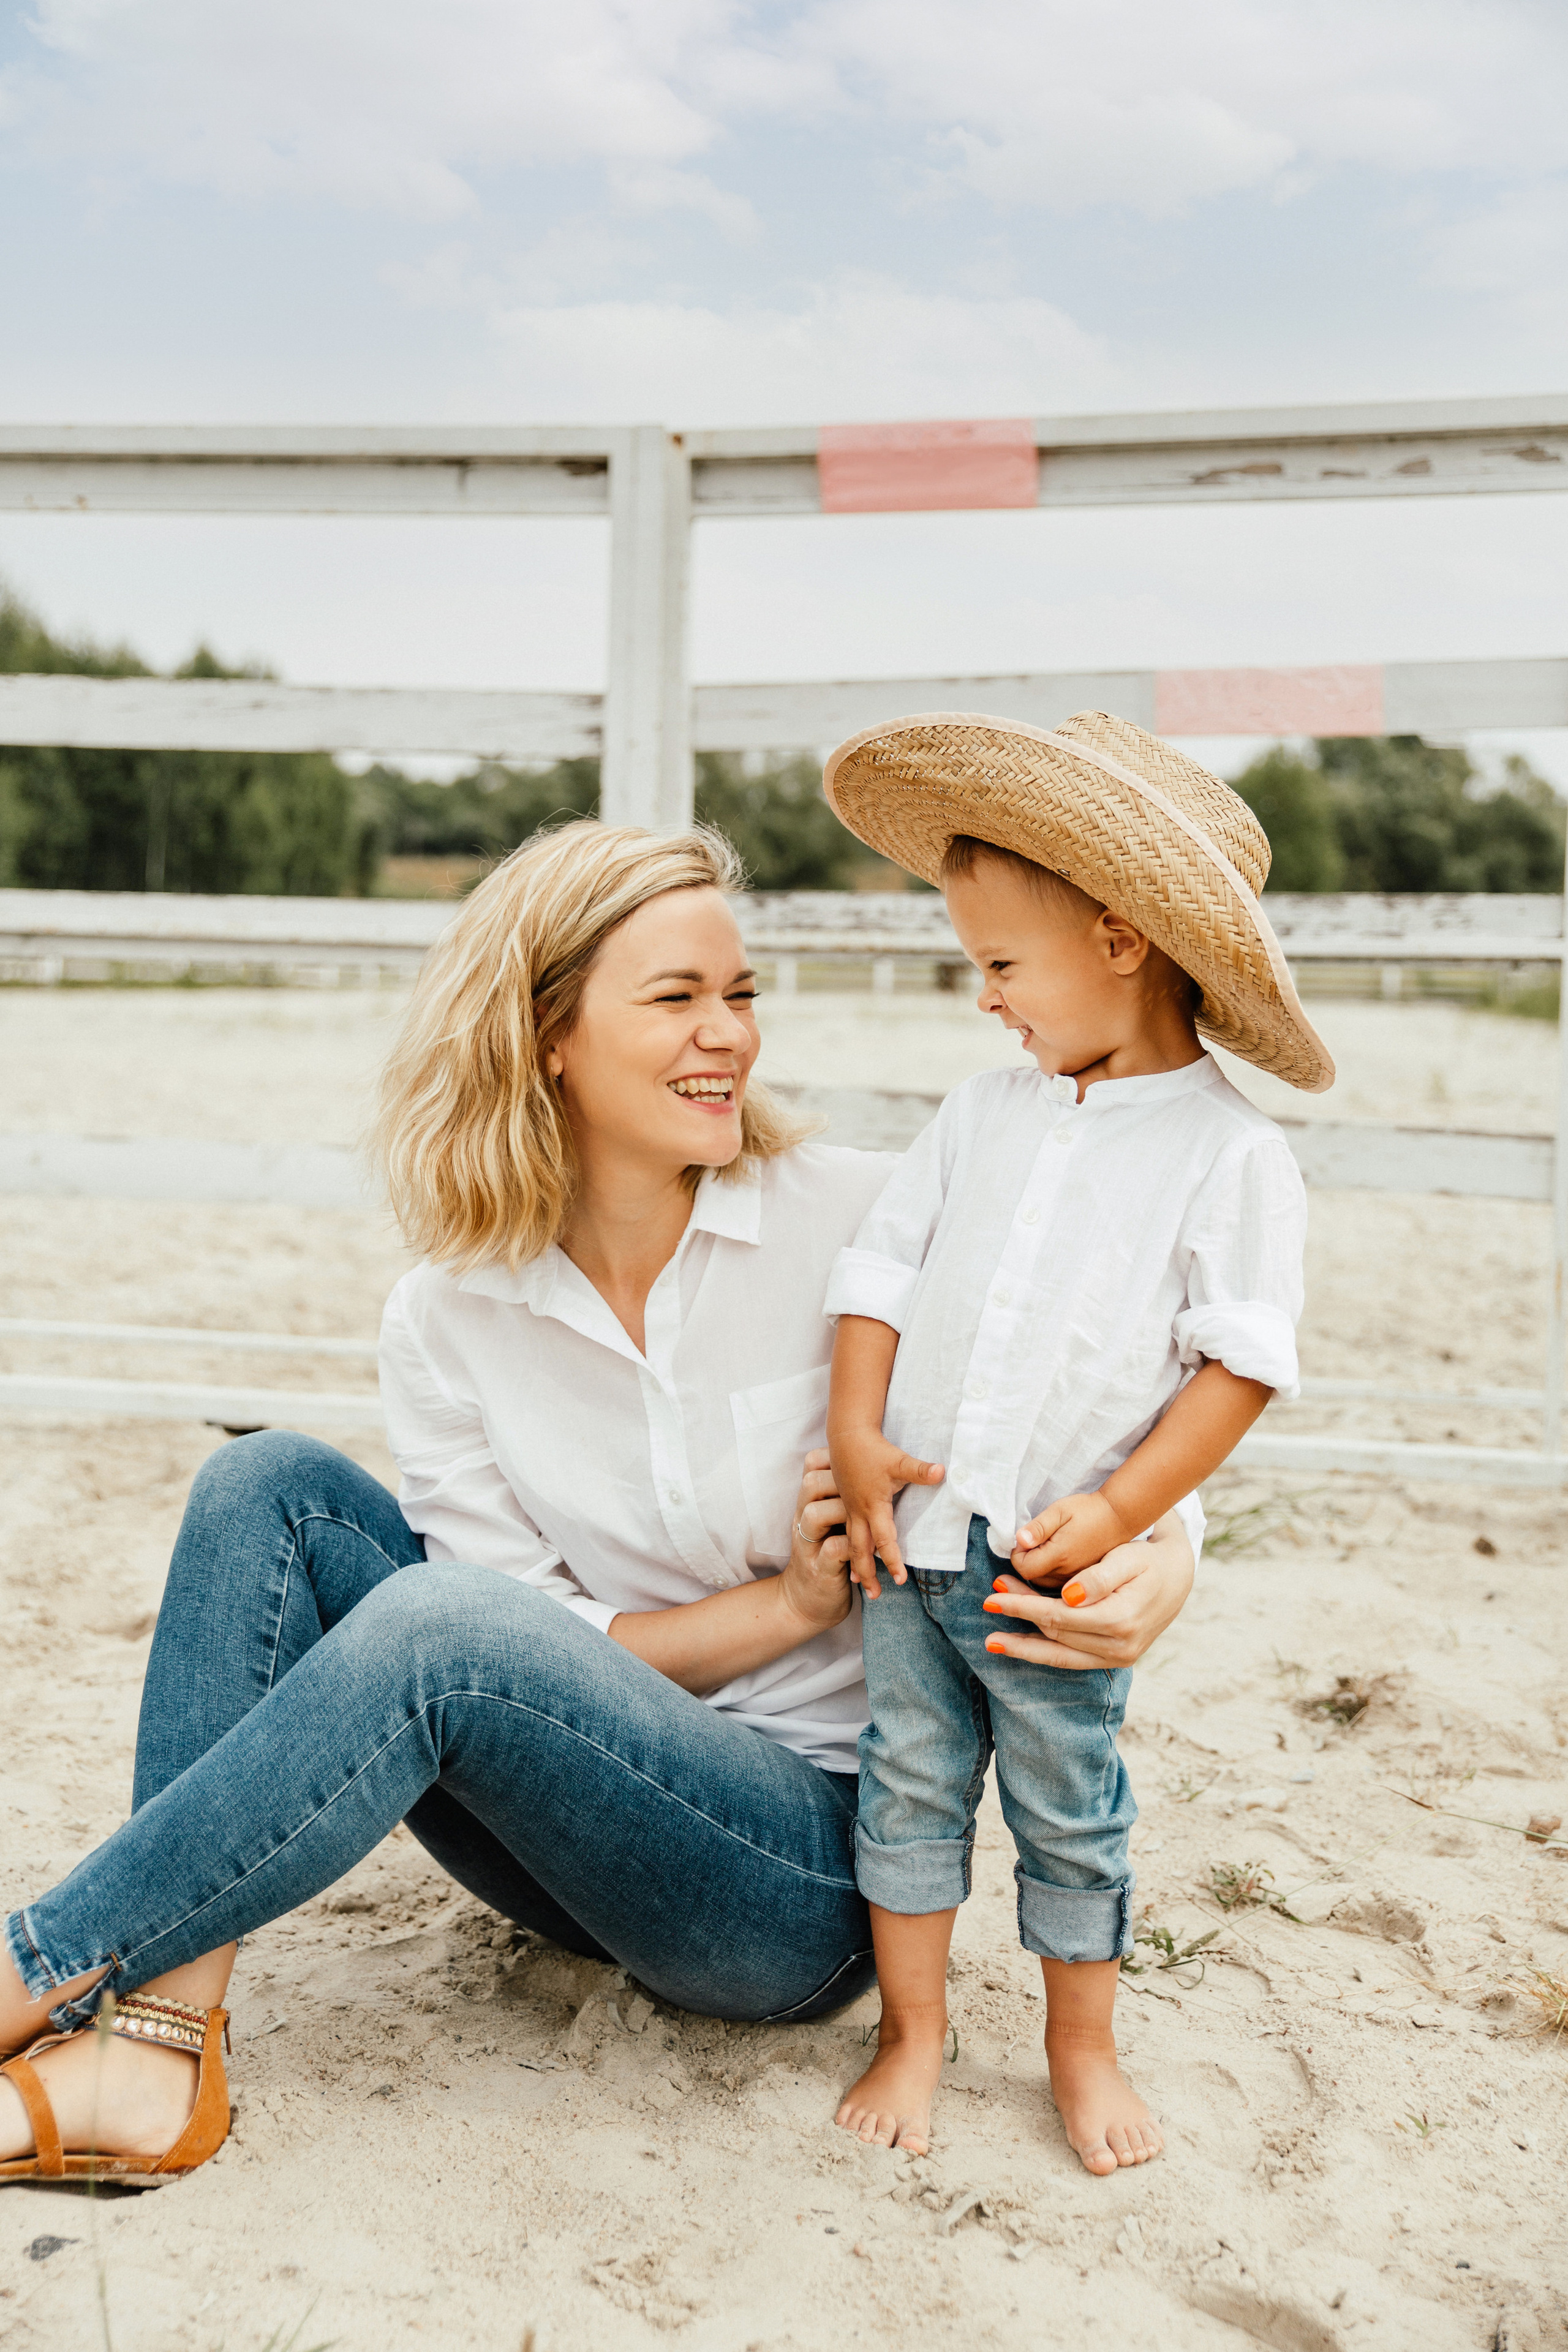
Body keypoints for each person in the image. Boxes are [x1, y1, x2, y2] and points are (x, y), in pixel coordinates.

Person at [1, 817, 1200, 2187]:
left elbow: (1087, 1390)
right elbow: (512, 1652)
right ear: (546, 1034)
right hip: (556, 1849)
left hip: (802, 1885)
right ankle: (156, 2044)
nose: (730, 1037)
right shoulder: (449, 1315)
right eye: (677, 998)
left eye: (739, 995)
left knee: (444, 1625)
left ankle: (28, 1972)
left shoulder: (861, 1222)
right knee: (266, 1486)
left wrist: (1165, 1550)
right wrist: (785, 1604)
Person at [821, 710, 1333, 2174]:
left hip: (1052, 1565)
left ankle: (1080, 2048)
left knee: (1069, 1807)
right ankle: (911, 2033)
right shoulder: (978, 1114)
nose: (982, 1001)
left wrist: (1118, 1515)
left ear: (1119, 942)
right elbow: (880, 1276)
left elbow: (1235, 1369)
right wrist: (858, 1433)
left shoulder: (1226, 1154)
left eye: (998, 965)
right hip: (910, 1545)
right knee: (907, 1782)